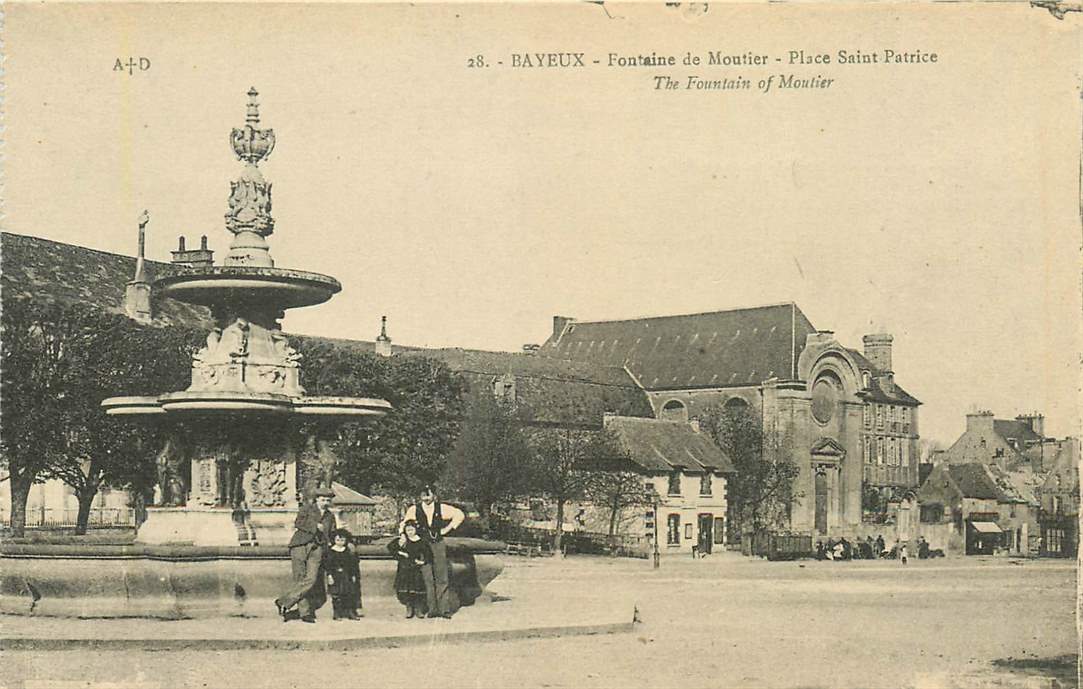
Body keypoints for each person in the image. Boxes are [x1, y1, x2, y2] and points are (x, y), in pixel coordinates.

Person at [399, 484, 465, 618]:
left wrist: (447, 529)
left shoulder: (442, 508)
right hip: (422, 545)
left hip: (438, 544)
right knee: (427, 577)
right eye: (423, 495)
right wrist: (403, 534)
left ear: (434, 495)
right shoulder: (414, 509)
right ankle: (432, 609)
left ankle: (444, 609)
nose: (426, 498)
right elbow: (405, 523)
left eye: (428, 494)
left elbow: (459, 514)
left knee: (441, 576)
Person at [275, 482, 336, 623]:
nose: (325, 502)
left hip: (318, 548)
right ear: (317, 499)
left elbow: (333, 533)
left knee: (311, 579)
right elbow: (298, 523)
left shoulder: (330, 516)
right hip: (300, 545)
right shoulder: (306, 509)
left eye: (328, 500)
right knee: (300, 578)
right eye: (323, 499)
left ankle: (283, 602)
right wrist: (315, 527)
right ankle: (305, 613)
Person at [387, 520, 431, 619]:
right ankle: (409, 608)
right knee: (406, 589)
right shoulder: (403, 540)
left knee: (417, 589)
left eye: (411, 530)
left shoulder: (420, 541)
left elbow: (428, 554)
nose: (409, 532)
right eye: (407, 530)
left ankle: (418, 609)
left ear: (416, 530)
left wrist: (422, 562)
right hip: (404, 567)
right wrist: (400, 553)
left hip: (415, 568)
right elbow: (390, 547)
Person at [325, 529, 362, 620]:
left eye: (342, 540)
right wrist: (329, 576)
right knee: (336, 595)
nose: (340, 542)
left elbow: (352, 564)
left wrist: (353, 575)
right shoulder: (330, 551)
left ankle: (350, 612)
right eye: (338, 540)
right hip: (335, 575)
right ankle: (337, 613)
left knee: (349, 593)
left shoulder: (347, 551)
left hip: (346, 575)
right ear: (334, 540)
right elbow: (327, 565)